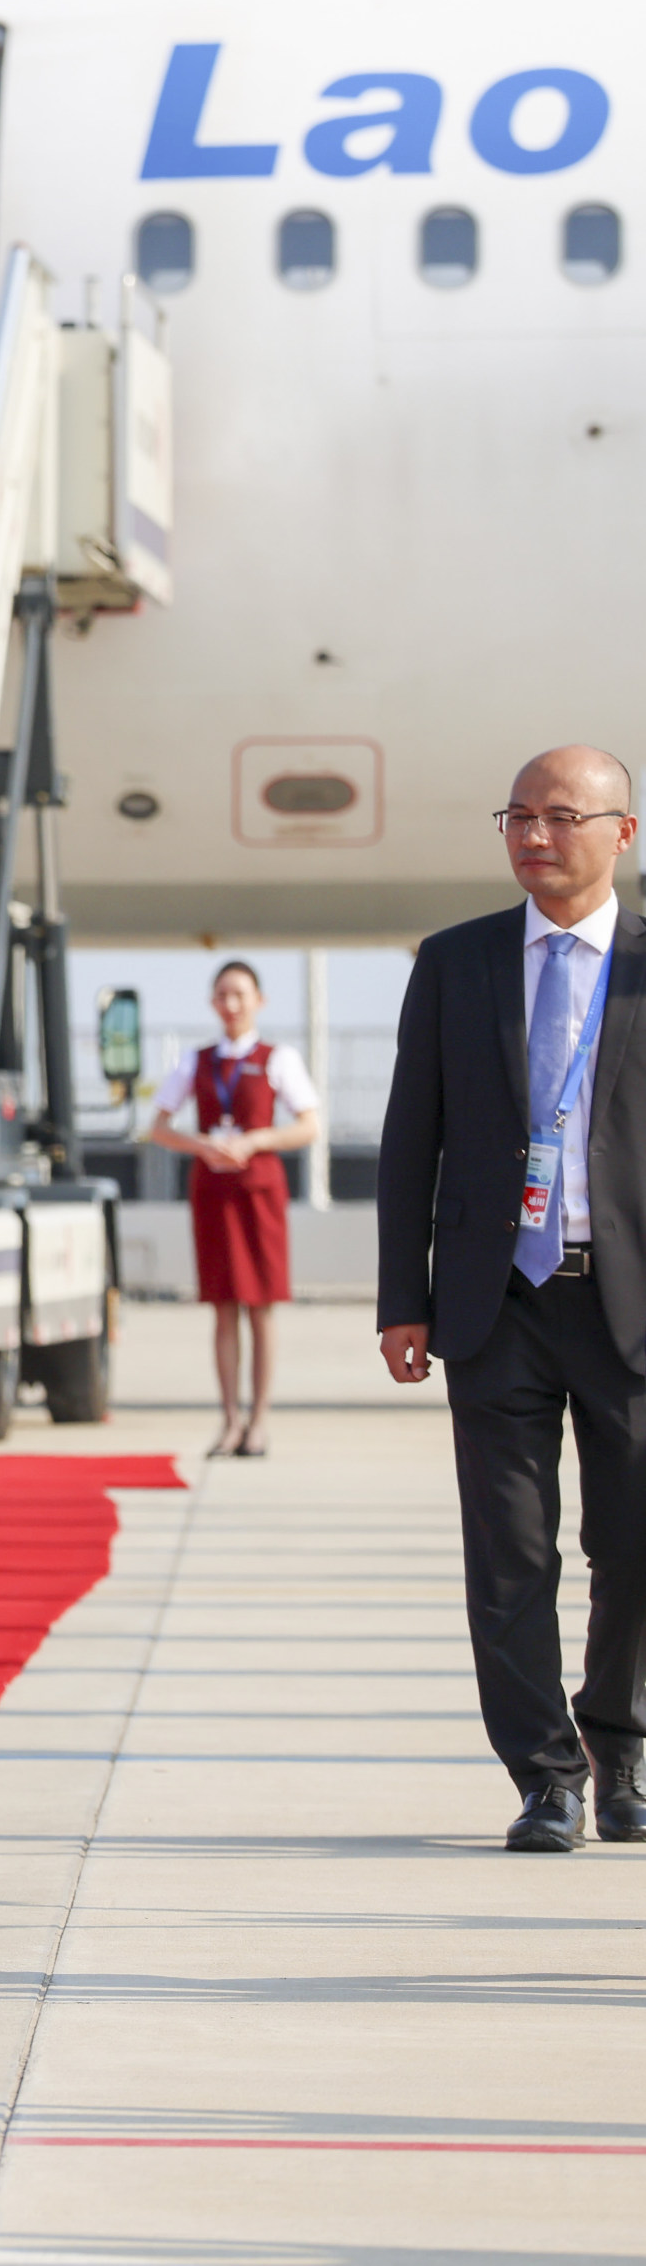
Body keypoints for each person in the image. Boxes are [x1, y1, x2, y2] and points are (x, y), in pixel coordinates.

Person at [375, 745, 646, 1854]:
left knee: (633, 1548)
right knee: (510, 1557)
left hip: (631, 1306)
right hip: (498, 1303)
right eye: (519, 816)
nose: (535, 835)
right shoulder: (457, 961)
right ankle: (545, 1778)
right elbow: (411, 1137)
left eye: (562, 816)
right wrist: (403, 1297)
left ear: (621, 832)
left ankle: (621, 1751)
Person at [147, 959, 322, 1460]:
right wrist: (202, 1145)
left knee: (261, 1307)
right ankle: (229, 1420)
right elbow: (159, 1127)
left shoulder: (276, 1058)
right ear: (212, 1002)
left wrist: (257, 1140)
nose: (231, 1004)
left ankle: (259, 1420)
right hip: (214, 1191)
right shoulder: (196, 1061)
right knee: (223, 1307)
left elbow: (309, 1125)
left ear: (258, 1001)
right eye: (223, 995)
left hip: (258, 1190)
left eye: (240, 994)